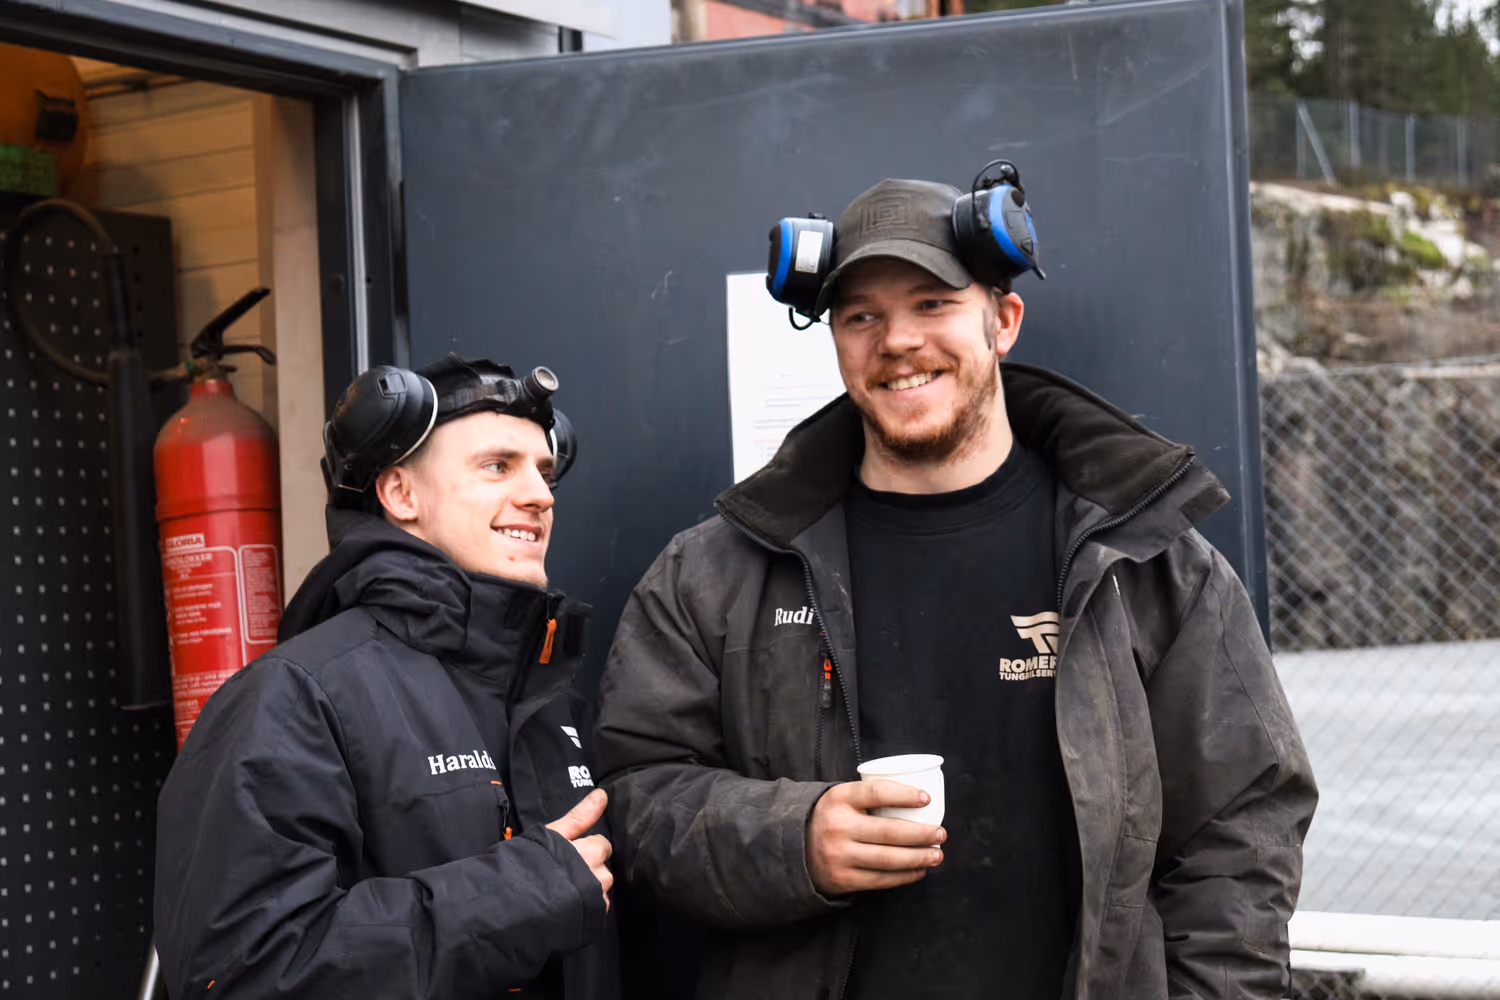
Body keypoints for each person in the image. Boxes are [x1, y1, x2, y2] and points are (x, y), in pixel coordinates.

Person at [593, 175, 1316, 999]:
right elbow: (637, 794)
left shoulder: (1147, 561)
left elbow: (1243, 826)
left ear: (1002, 321)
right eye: (861, 316)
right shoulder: (715, 573)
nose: (897, 340)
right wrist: (793, 838)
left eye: (933, 303)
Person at [155, 355, 617, 999]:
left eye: (543, 472)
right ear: (401, 495)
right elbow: (245, 973)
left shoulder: (550, 702)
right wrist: (514, 897)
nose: (541, 496)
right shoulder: (294, 698)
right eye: (497, 466)